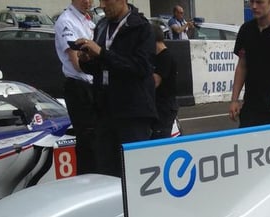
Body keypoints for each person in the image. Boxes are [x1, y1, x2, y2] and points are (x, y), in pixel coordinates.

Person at [76, 0, 157, 177]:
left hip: (132, 112)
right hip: (104, 109)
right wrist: (86, 59)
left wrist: (102, 53)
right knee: (105, 171)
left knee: (133, 172)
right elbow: (99, 68)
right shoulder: (102, 25)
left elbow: (141, 68)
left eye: (107, 1)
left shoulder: (142, 28)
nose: (103, 5)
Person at [54, 0, 98, 175]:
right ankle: (87, 181)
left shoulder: (87, 20)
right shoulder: (66, 21)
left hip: (92, 85)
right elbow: (77, 62)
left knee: (97, 138)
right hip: (78, 86)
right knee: (87, 139)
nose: (87, 2)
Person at [151, 23, 178, 139]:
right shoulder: (154, 57)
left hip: (164, 107)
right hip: (157, 106)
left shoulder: (165, 57)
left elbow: (154, 82)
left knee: (160, 137)